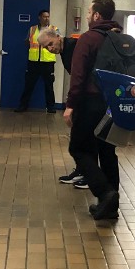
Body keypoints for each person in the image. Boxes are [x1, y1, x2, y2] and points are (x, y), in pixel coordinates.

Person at [63, 0, 125, 222]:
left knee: (79, 149)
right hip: (115, 103)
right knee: (107, 151)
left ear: (97, 15)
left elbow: (78, 76)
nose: (87, 15)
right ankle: (110, 206)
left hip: (91, 102)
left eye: (90, 12)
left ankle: (104, 193)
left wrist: (70, 106)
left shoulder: (88, 39)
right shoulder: (120, 38)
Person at [37, 27, 87, 189]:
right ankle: (81, 170)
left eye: (50, 44)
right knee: (77, 137)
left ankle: (88, 175)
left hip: (89, 98)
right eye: (46, 48)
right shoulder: (64, 51)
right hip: (81, 97)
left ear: (57, 37)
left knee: (84, 139)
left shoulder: (74, 47)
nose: (50, 49)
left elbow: (80, 77)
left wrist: (71, 102)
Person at [14, 9, 57, 113]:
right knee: (29, 85)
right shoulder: (32, 29)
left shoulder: (54, 29)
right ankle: (23, 106)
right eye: (44, 16)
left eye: (48, 16)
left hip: (48, 61)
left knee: (49, 86)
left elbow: (58, 43)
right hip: (33, 62)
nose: (46, 18)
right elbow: (27, 41)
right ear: (39, 17)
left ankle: (51, 108)